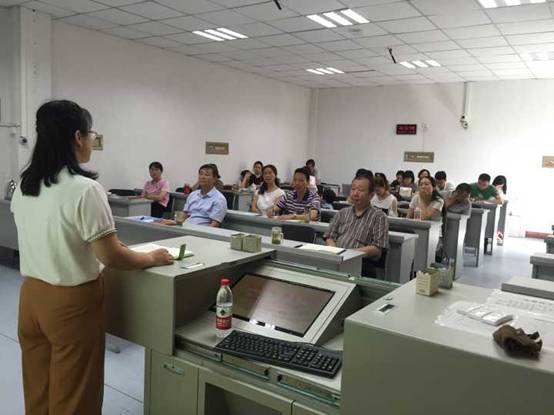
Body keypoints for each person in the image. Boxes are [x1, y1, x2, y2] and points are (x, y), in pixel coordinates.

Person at [10, 100, 173, 414]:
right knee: (75, 395)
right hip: (70, 304)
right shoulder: (85, 189)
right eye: (91, 134)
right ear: (77, 137)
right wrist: (151, 258)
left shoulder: (25, 186)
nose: (91, 141)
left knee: (38, 388)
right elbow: (112, 257)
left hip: (30, 299)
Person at [325, 174, 388, 261]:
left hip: (361, 262)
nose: (355, 193)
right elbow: (330, 237)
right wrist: (335, 253)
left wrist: (349, 254)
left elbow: (377, 248)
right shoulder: (342, 213)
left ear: (371, 195)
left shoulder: (379, 217)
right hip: (336, 259)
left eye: (360, 190)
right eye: (353, 189)